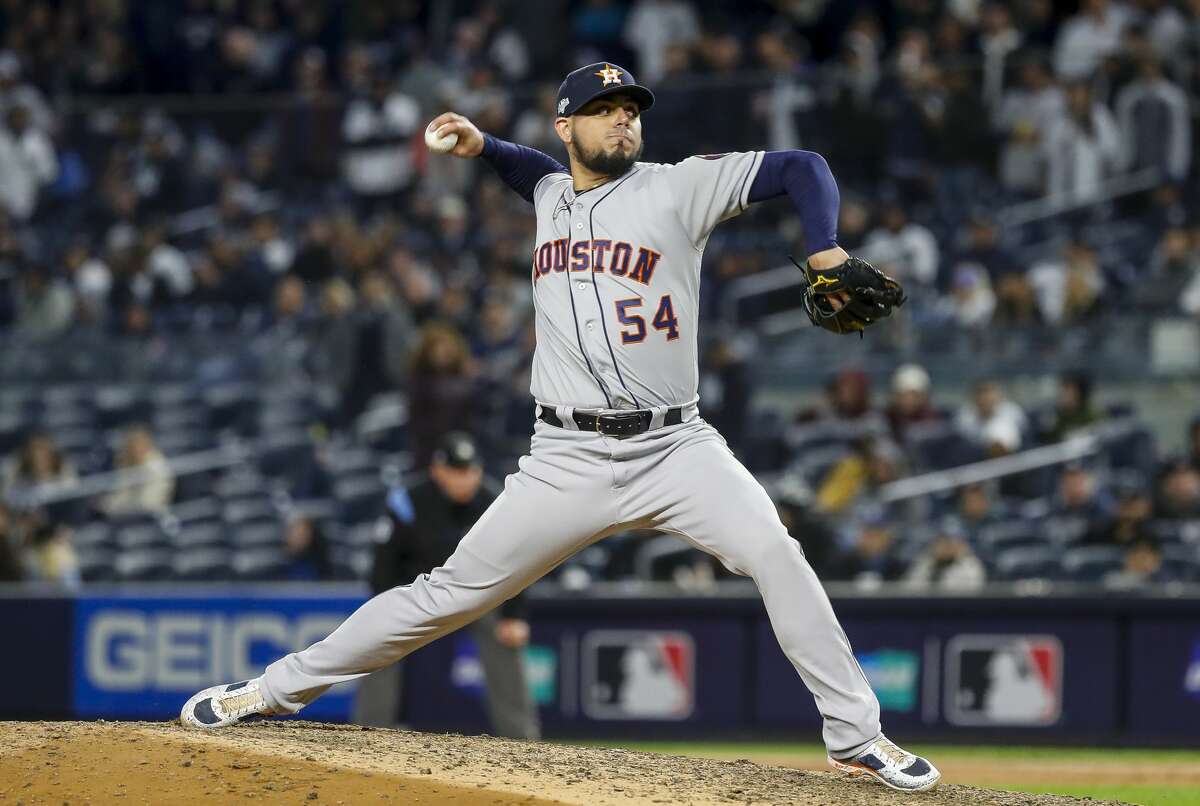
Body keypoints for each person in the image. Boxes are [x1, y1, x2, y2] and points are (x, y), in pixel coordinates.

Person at [182, 60, 939, 792]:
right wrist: (484, 147)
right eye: (606, 110)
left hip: (675, 446)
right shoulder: (549, 191)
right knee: (444, 593)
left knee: (777, 553)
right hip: (564, 457)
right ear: (567, 127)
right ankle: (271, 692)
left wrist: (823, 247)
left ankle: (856, 739)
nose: (624, 119)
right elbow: (529, 171)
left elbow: (802, 165)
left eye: (632, 109)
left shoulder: (679, 188)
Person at [352, 432, 539, 739]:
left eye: (470, 471)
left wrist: (515, 615)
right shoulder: (408, 501)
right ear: (438, 470)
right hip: (419, 591)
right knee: (377, 636)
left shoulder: (496, 501)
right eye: (456, 471)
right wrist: (380, 611)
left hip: (478, 594)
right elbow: (384, 564)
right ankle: (368, 736)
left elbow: (519, 561)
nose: (464, 479)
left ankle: (523, 741)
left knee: (506, 637)